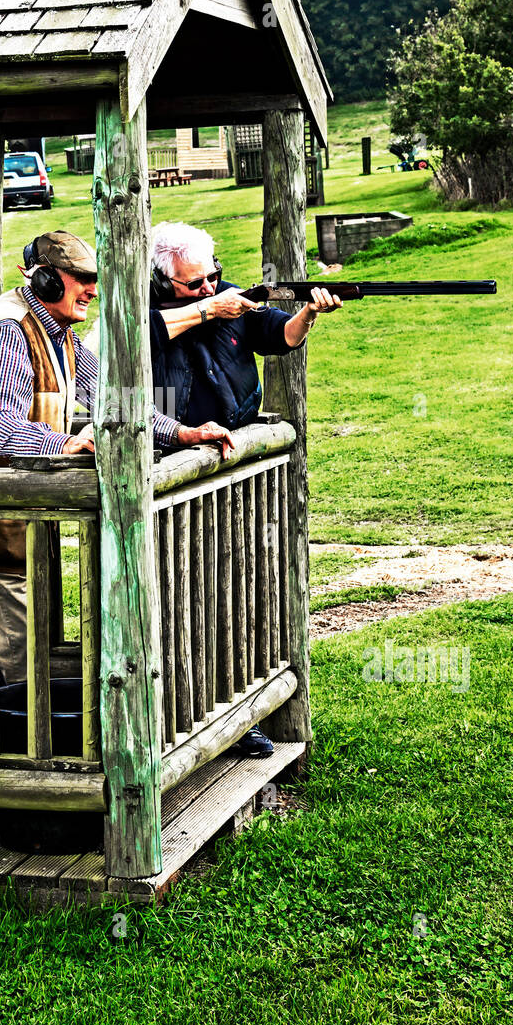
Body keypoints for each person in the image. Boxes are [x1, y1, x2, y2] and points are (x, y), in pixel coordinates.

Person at [0, 229, 234, 750]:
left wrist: (184, 432)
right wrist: (70, 444)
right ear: (46, 280)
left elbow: (116, 403)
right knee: (14, 649)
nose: (93, 291)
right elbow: (0, 428)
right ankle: (15, 776)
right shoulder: (9, 328)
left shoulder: (61, 334)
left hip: (12, 517)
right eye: (83, 281)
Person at [149, 221, 342, 758]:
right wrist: (207, 309)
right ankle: (175, 721)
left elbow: (279, 336)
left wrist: (308, 312)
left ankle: (233, 717)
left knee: (235, 594)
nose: (208, 288)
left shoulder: (229, 298)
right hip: (172, 471)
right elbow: (139, 336)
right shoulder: (142, 311)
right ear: (164, 280)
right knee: (178, 602)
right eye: (194, 283)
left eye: (212, 277)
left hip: (235, 470)